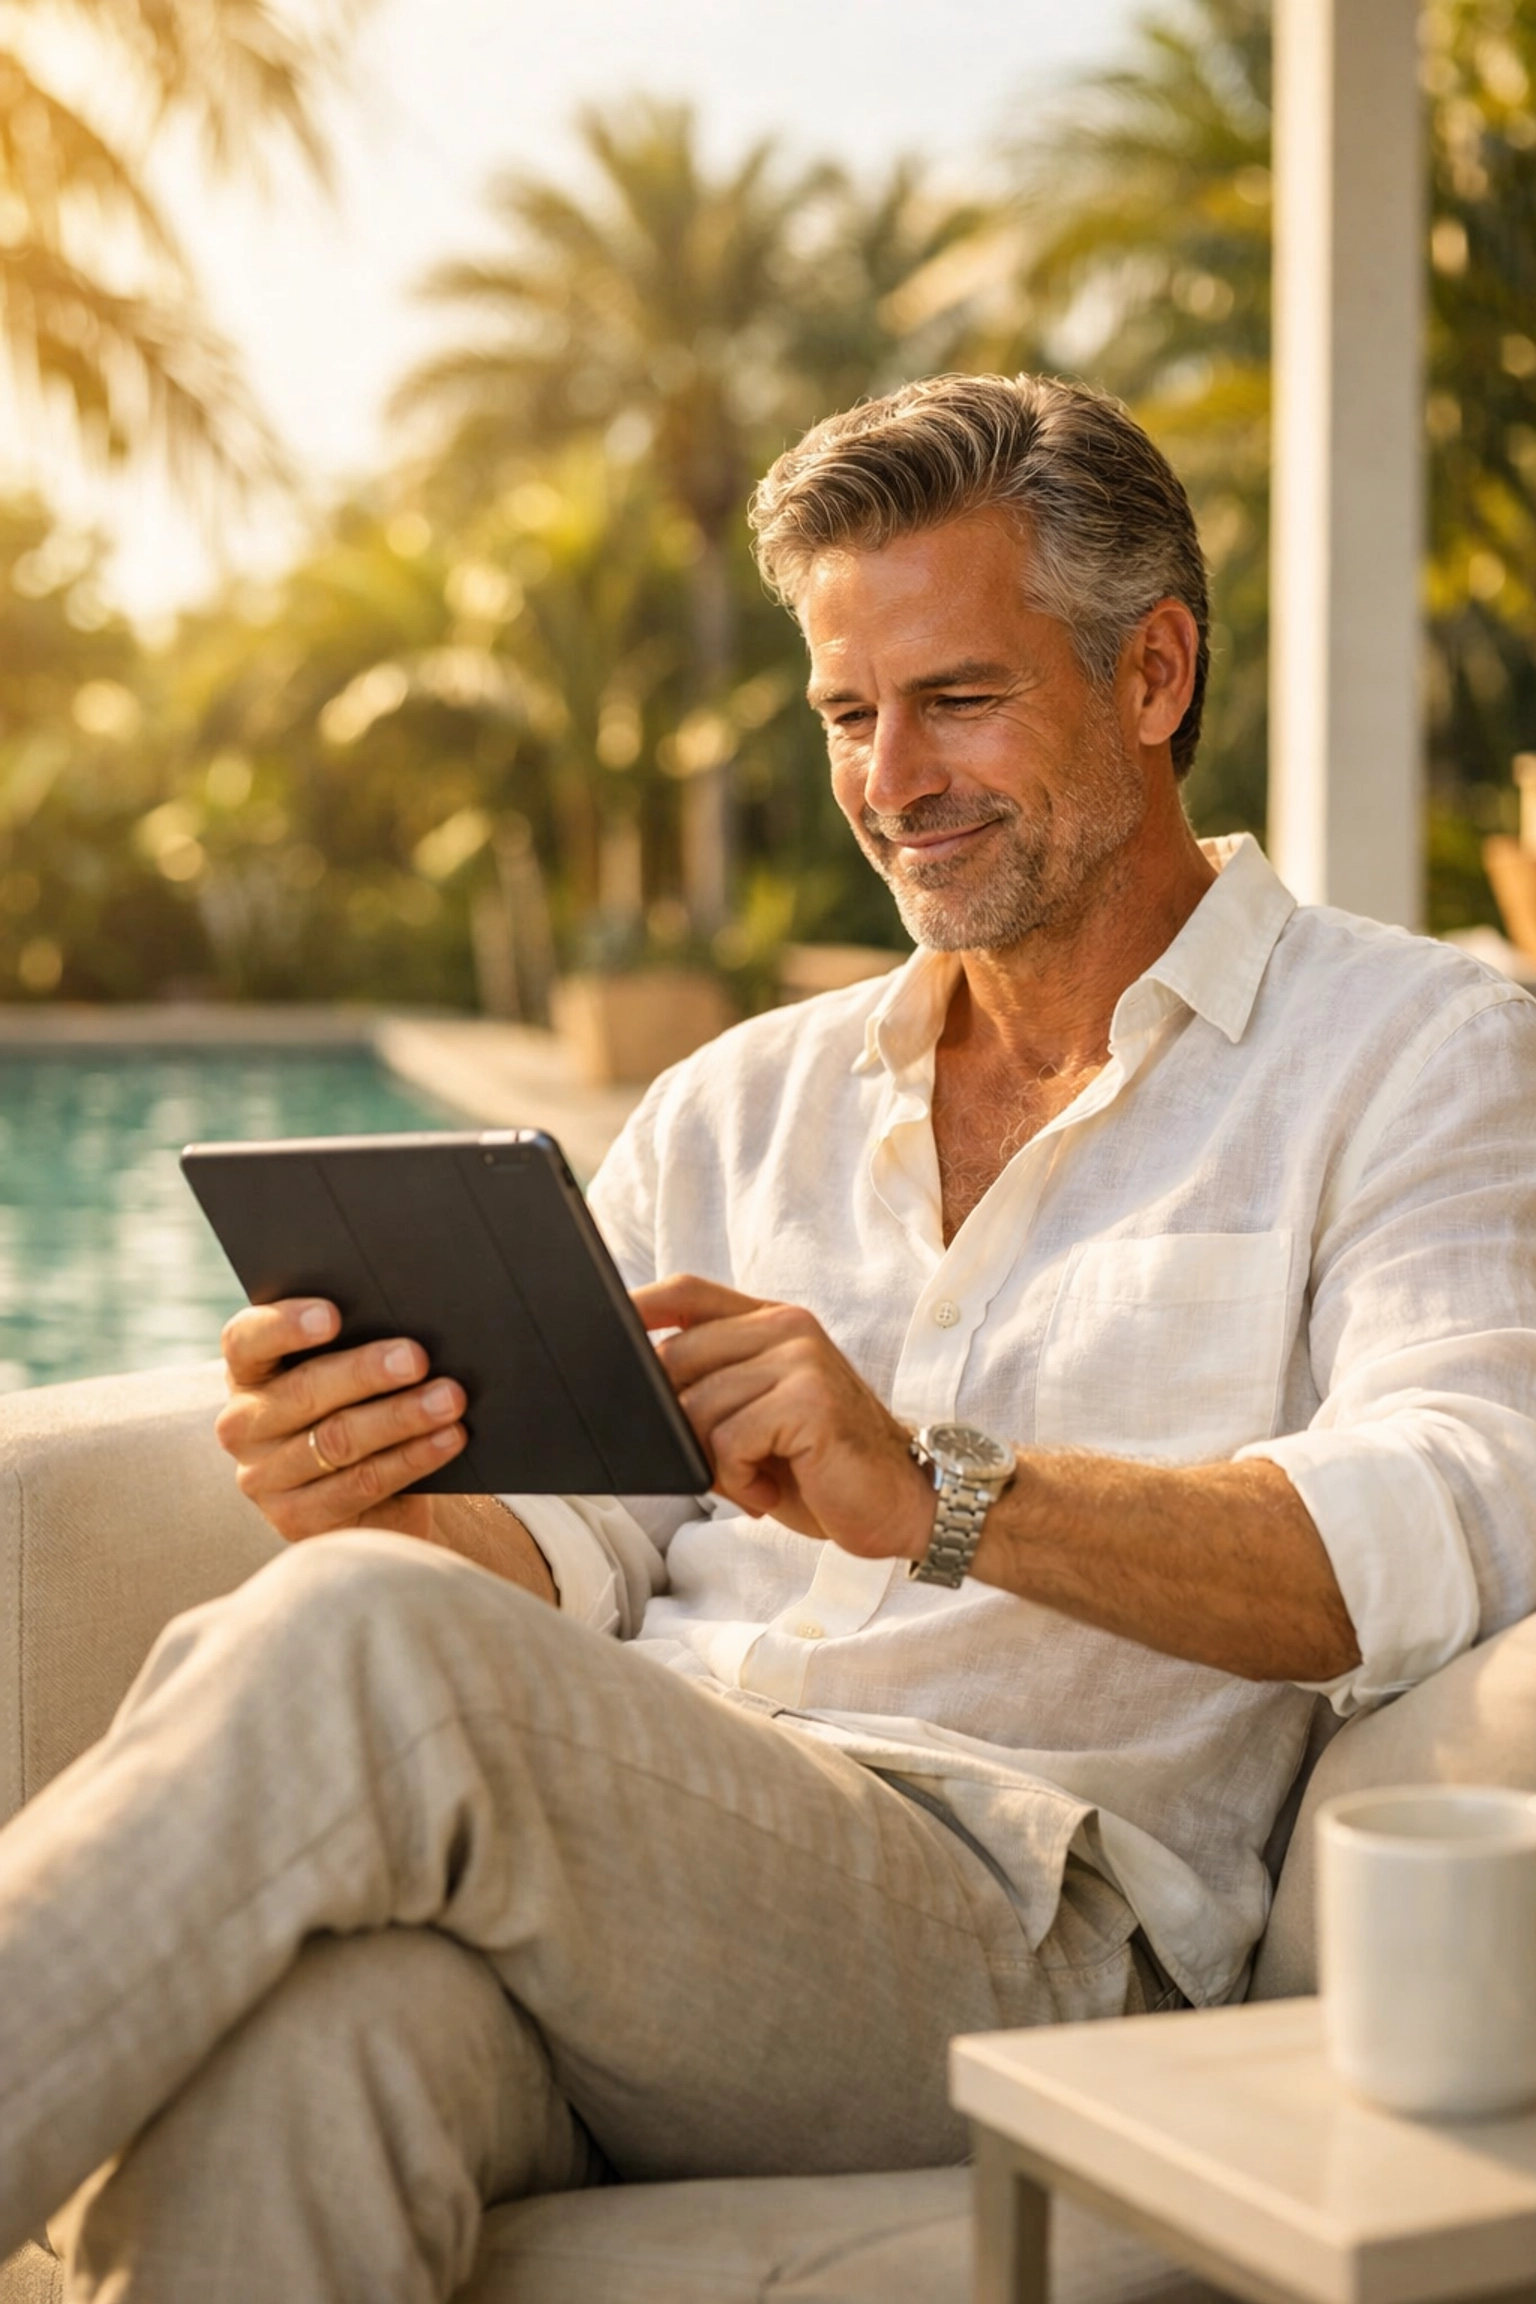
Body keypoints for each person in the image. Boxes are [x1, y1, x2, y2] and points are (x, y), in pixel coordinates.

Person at [4, 371, 1536, 2301]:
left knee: (367, 1652)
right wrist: (384, 1487)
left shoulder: (1414, 1054)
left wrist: (941, 1493)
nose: (890, 777)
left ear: (1153, 678)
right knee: (315, 2054)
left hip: (1037, 1931)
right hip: (664, 1879)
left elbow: (1448, 1511)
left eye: (957, 698)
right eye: (844, 713)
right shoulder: (740, 1101)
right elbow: (572, 1540)